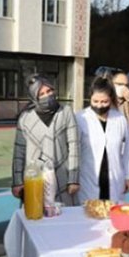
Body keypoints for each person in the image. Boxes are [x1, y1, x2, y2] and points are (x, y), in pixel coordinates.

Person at [11, 74, 80, 205]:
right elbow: (19, 152)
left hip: (62, 178)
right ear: (34, 98)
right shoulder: (25, 118)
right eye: (41, 94)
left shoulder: (66, 112)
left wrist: (73, 179)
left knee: (64, 218)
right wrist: (17, 181)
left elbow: (74, 146)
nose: (47, 96)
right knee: (35, 217)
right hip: (34, 178)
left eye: (49, 91)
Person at [77, 77, 129, 203]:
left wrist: (128, 176)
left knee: (112, 215)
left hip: (114, 178)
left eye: (104, 102)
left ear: (111, 99)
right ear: (90, 97)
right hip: (88, 178)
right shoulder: (80, 118)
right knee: (89, 215)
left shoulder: (120, 120)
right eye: (95, 101)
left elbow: (127, 150)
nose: (99, 105)